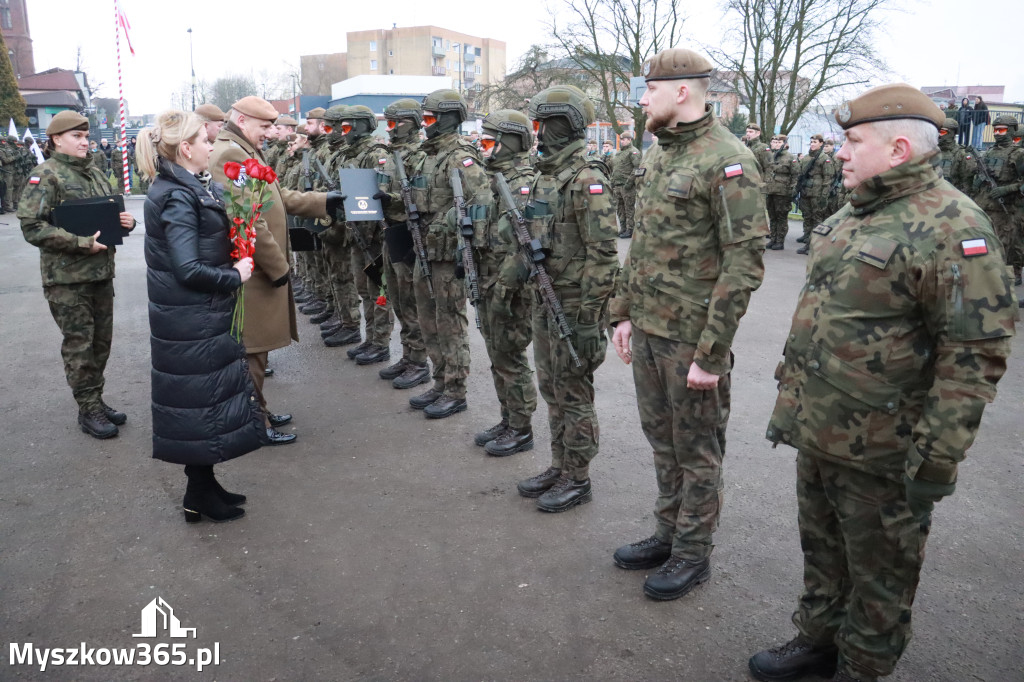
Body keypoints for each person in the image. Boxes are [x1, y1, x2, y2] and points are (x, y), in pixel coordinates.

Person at [749, 83, 1015, 682]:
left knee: (881, 568)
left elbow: (974, 352)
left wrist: (938, 457)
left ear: (898, 148)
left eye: (852, 141)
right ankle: (817, 638)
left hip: (886, 446)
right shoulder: (852, 212)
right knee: (823, 550)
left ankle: (863, 665)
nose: (841, 152)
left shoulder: (954, 224)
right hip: (819, 426)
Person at [609, 48, 768, 600]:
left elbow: (744, 261)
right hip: (650, 329)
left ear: (682, 91)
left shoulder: (728, 160)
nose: (642, 99)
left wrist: (712, 352)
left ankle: (693, 554)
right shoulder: (658, 155)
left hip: (692, 339)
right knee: (663, 442)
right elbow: (642, 243)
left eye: (648, 89)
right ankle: (667, 533)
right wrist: (622, 312)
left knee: (697, 449)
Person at [138, 110, 266, 524]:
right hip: (193, 318)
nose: (212, 145)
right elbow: (187, 268)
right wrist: (235, 274)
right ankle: (199, 493)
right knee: (203, 403)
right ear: (185, 148)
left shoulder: (185, 186)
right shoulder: (178, 194)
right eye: (204, 140)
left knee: (204, 405)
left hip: (196, 317)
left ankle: (204, 487)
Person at [209, 96, 343, 444]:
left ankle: (260, 409)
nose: (270, 133)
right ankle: (254, 422)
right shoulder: (231, 155)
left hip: (257, 267)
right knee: (252, 348)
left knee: (257, 347)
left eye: (271, 126)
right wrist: (279, 267)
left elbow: (276, 195)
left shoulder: (245, 149)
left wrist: (324, 201)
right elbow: (246, 219)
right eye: (264, 126)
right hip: (254, 271)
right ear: (241, 120)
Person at [515, 84, 618, 512]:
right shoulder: (546, 176)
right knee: (551, 388)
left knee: (574, 393)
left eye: (543, 124)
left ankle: (578, 476)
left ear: (564, 124)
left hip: (575, 305)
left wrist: (591, 318)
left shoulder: (587, 179)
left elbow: (604, 255)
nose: (537, 133)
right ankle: (559, 465)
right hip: (545, 296)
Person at [17, 110, 137, 438]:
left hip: (100, 273)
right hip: (67, 278)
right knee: (79, 343)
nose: (85, 142)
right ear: (57, 139)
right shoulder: (47, 175)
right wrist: (80, 243)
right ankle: (88, 407)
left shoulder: (95, 173)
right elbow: (32, 226)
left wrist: (126, 221)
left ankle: (95, 397)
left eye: (86, 136)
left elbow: (109, 213)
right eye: (77, 137)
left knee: (101, 341)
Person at [405, 89, 490, 419]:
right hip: (423, 250)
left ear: (447, 119)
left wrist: (447, 221)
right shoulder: (428, 156)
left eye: (429, 119)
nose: (424, 125)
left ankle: (456, 389)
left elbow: (482, 198)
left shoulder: (461, 156)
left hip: (447, 256)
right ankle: (440, 380)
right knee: (428, 321)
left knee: (450, 322)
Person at [471, 109, 538, 456]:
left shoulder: (523, 181)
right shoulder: (490, 177)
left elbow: (525, 242)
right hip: (485, 279)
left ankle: (521, 427)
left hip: (510, 287)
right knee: (496, 354)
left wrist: (505, 287)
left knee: (511, 355)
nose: (481, 149)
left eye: (487, 142)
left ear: (509, 143)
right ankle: (508, 416)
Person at [376, 98, 432, 390]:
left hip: (410, 235)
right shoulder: (391, 153)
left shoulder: (418, 155)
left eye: (394, 123)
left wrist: (392, 201)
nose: (390, 129)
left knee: (412, 301)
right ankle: (408, 354)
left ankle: (419, 361)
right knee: (397, 298)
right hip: (391, 232)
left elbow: (421, 202)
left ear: (409, 123)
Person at [333, 105, 393, 365]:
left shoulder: (376, 154)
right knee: (364, 290)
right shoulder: (349, 154)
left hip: (375, 236)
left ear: (360, 126)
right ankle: (370, 338)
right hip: (356, 232)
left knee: (379, 291)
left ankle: (381, 342)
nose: (343, 132)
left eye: (347, 127)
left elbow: (382, 194)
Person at [970, 114, 1024, 284]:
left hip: (1006, 210)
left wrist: (1006, 189)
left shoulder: (1019, 154)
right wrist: (978, 181)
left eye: (1002, 130)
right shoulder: (989, 152)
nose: (997, 133)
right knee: (982, 243)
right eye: (995, 130)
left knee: (1005, 246)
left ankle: (1008, 278)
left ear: (1012, 131)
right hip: (985, 207)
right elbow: (978, 175)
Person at [794, 133, 835, 254]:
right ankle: (807, 242)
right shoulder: (806, 158)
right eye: (811, 142)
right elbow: (800, 175)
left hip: (817, 194)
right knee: (807, 218)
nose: (812, 145)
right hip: (806, 192)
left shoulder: (824, 159)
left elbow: (828, 179)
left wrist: (824, 195)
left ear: (821, 144)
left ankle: (815, 245)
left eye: (815, 142)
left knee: (817, 220)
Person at [764, 133, 797, 250]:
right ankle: (773, 239)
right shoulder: (770, 156)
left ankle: (780, 241)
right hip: (770, 190)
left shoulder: (790, 157)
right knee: (772, 216)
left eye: (779, 142)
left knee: (781, 216)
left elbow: (795, 175)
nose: (776, 144)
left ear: (784, 144)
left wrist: (792, 190)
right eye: (775, 142)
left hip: (783, 192)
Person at [610, 130, 641, 238]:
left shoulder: (633, 152)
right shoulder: (619, 153)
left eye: (624, 139)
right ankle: (623, 228)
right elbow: (615, 168)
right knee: (620, 209)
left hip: (627, 186)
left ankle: (630, 229)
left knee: (629, 209)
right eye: (621, 139)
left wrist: (629, 182)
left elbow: (637, 168)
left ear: (629, 140)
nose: (621, 141)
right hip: (617, 186)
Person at [937, 117, 971, 194]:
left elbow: (966, 181)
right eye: (938, 132)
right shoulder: (932, 151)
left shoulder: (961, 153)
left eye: (942, 132)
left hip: (953, 196)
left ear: (951, 133)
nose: (939, 135)